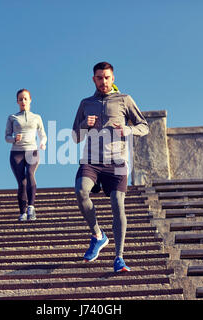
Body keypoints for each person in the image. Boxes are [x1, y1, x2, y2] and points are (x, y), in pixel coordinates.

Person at [72, 62, 149, 272]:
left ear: (113, 78)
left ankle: (119, 257)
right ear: (93, 79)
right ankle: (98, 235)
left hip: (116, 161)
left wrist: (128, 129)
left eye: (107, 77)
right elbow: (74, 136)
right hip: (91, 160)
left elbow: (144, 126)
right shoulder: (85, 103)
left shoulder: (124, 99)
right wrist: (83, 125)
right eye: (99, 78)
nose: (103, 81)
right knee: (80, 191)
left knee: (117, 204)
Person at [5, 89, 47, 221]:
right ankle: (22, 212)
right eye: (20, 99)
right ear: (17, 101)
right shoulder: (12, 117)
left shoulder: (37, 117)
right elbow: (6, 136)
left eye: (25, 98)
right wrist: (14, 139)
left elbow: (43, 134)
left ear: (30, 100)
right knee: (21, 182)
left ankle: (31, 207)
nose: (23, 101)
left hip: (32, 150)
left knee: (30, 173)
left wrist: (43, 143)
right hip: (16, 153)